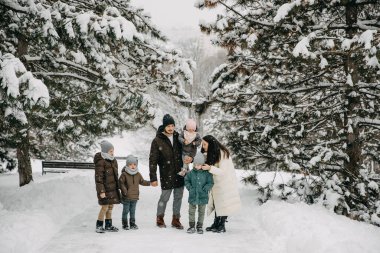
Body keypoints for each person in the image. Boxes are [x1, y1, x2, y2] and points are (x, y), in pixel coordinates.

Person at [149, 114, 191, 229]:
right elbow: (152, 160)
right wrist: (153, 178)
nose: (171, 128)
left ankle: (176, 219)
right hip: (166, 174)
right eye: (168, 125)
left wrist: (189, 158)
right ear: (164, 126)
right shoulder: (157, 141)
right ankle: (160, 218)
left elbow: (187, 151)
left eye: (172, 125)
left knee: (178, 197)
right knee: (164, 197)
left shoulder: (178, 137)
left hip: (179, 173)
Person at [200, 135, 241, 233]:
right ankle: (216, 223)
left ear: (211, 144)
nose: (203, 146)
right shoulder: (212, 153)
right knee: (217, 203)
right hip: (216, 183)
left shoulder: (223, 154)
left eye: (205, 144)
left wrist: (210, 168)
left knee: (223, 203)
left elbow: (223, 171)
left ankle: (221, 225)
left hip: (225, 183)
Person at [94, 140, 121, 233]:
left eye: (113, 150)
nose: (112, 152)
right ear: (105, 151)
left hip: (112, 189)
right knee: (104, 207)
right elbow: (98, 178)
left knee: (110, 207)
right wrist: (101, 191)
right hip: (104, 190)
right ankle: (99, 225)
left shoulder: (113, 160)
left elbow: (115, 176)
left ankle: (108, 225)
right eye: (110, 151)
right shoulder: (101, 161)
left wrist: (118, 187)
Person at [119, 155, 151, 230]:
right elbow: (120, 183)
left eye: (134, 164)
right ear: (127, 165)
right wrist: (124, 191)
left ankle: (132, 223)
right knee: (126, 211)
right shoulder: (124, 174)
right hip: (126, 197)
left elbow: (142, 182)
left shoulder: (138, 174)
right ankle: (125, 224)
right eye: (130, 164)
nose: (132, 166)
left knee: (132, 211)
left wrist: (150, 183)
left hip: (135, 197)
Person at [184, 152, 214, 234]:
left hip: (202, 195)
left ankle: (199, 226)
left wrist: (206, 188)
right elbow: (186, 180)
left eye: (199, 165)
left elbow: (210, 182)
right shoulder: (190, 173)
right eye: (195, 165)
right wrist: (190, 188)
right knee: (191, 211)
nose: (197, 166)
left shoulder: (207, 174)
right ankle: (191, 226)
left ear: (202, 165)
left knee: (201, 212)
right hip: (193, 195)